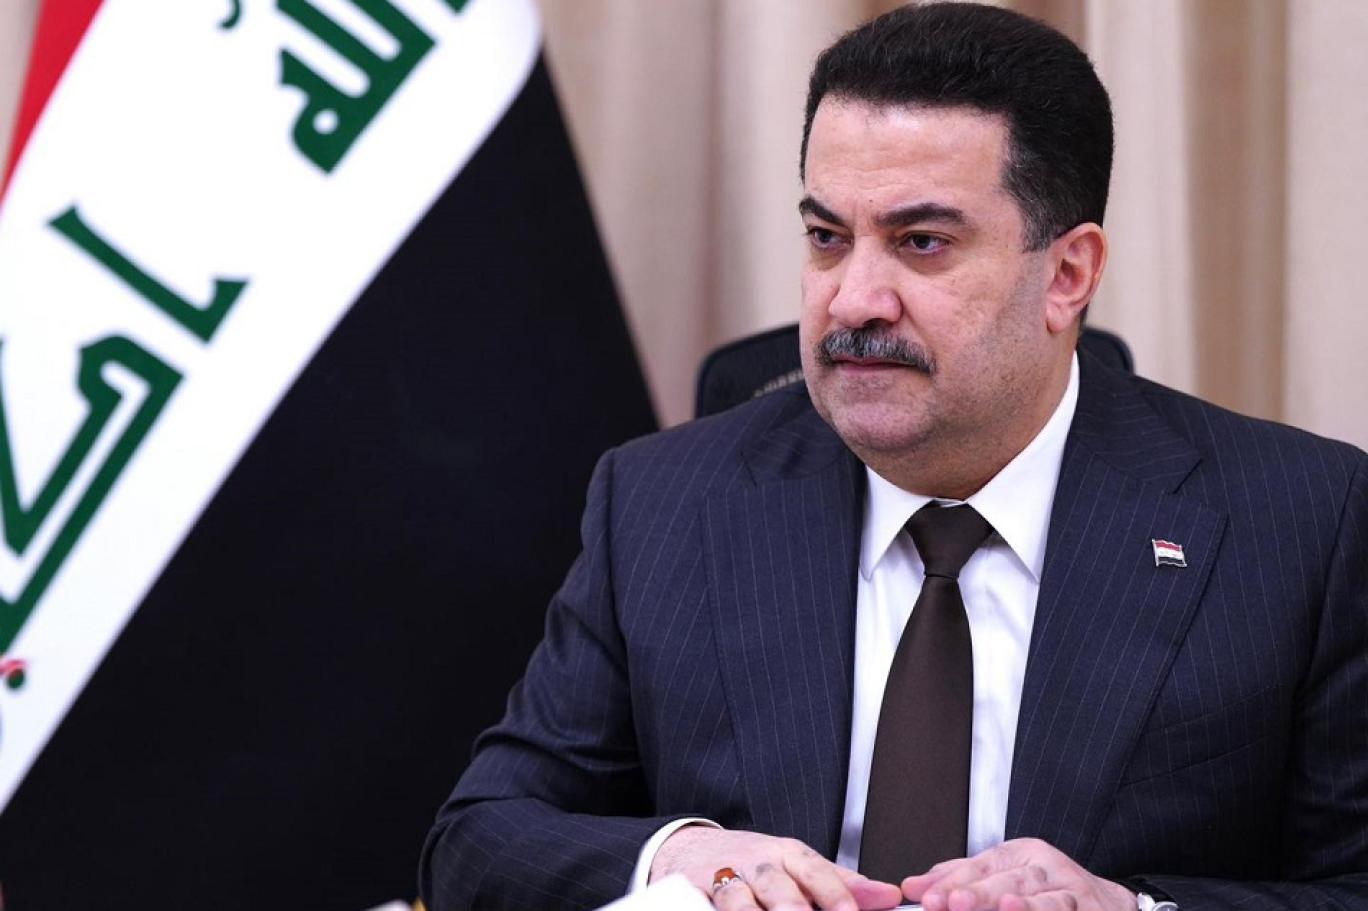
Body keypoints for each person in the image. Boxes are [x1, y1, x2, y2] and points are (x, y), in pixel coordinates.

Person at [419, 4, 1368, 910]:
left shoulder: (1301, 524)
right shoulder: (662, 502)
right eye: (827, 238)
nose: (853, 299)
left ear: (1067, 274)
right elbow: (477, 840)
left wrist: (1134, 903)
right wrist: (682, 854)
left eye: (921, 242)